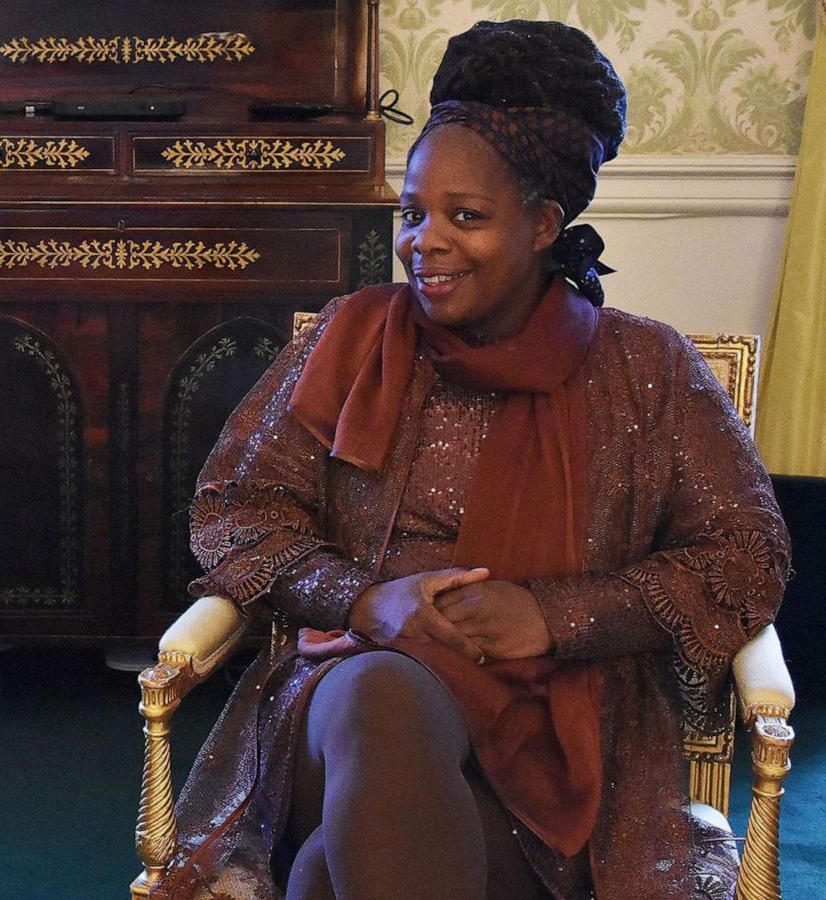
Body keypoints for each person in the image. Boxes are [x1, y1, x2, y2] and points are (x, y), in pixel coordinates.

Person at [151, 20, 789, 900]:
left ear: (542, 225)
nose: (425, 242)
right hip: (347, 708)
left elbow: (746, 557)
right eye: (414, 213)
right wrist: (367, 601)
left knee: (328, 875)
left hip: (558, 749)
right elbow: (236, 510)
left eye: (466, 217)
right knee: (384, 695)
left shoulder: (646, 370)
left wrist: (553, 616)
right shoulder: (350, 337)